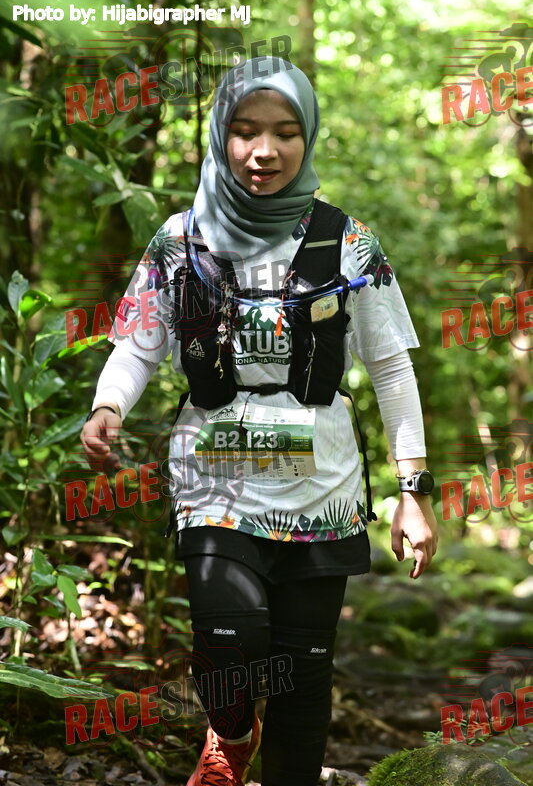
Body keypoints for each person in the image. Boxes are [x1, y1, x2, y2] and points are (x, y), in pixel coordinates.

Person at [81, 56, 438, 786]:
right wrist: (108, 404)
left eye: (284, 133)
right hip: (214, 481)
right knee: (228, 640)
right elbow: (136, 346)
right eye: (244, 131)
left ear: (308, 137)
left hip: (323, 487)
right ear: (221, 136)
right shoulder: (179, 240)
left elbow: (392, 369)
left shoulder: (348, 240)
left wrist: (413, 489)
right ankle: (232, 732)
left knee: (305, 676)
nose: (263, 151)